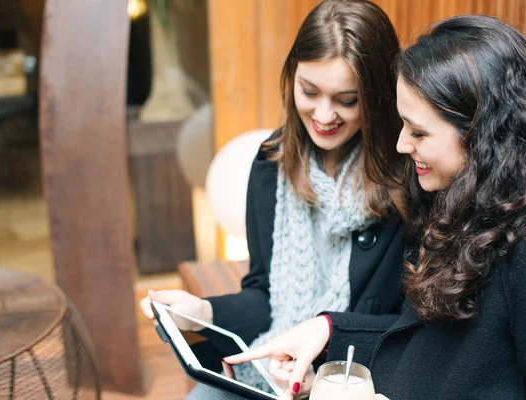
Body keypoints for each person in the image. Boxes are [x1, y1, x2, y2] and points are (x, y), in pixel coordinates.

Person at [225, 15, 526, 399]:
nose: (402, 145)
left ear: (485, 136)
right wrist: (329, 330)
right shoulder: (472, 205)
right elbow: (430, 343)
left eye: (418, 132)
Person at [140, 0, 410, 397]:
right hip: (269, 372)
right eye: (309, 91)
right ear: (292, 79)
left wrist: (322, 382)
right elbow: (264, 294)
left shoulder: (409, 180)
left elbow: (410, 329)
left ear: (376, 97)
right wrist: (203, 313)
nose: (323, 114)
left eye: (346, 100)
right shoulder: (272, 162)